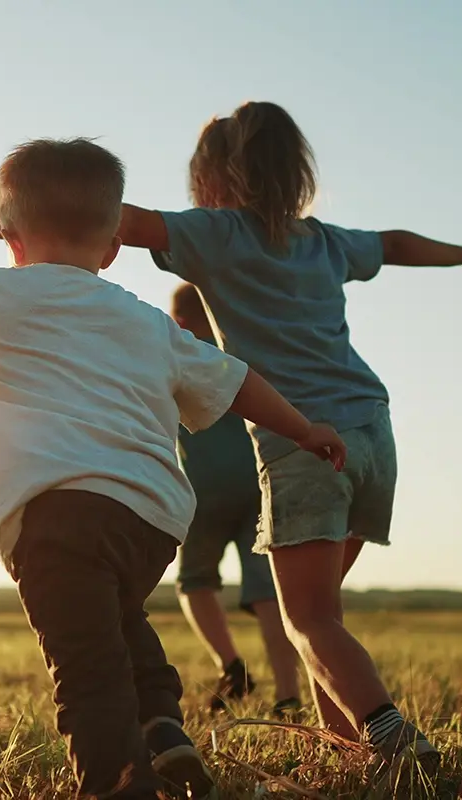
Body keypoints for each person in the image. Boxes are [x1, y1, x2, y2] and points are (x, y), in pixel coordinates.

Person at [0, 102, 462, 780]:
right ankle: (343, 750)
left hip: (303, 443)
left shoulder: (217, 233)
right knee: (322, 614)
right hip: (372, 434)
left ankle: (390, 735)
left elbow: (110, 219)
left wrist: (23, 217)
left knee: (308, 621)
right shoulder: (324, 241)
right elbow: (398, 242)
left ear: (212, 178)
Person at [0, 138, 346, 800]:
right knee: (116, 621)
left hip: (55, 515)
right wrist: (304, 429)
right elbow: (237, 381)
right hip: (150, 519)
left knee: (86, 668)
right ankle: (163, 729)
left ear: (11, 240)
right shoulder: (145, 321)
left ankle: (115, 781)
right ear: (111, 248)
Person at [166, 282, 303, 718]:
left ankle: (231, 665)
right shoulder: (243, 352)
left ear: (180, 320)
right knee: (268, 592)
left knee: (195, 581)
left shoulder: (177, 355)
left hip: (203, 489)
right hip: (259, 483)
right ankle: (288, 694)